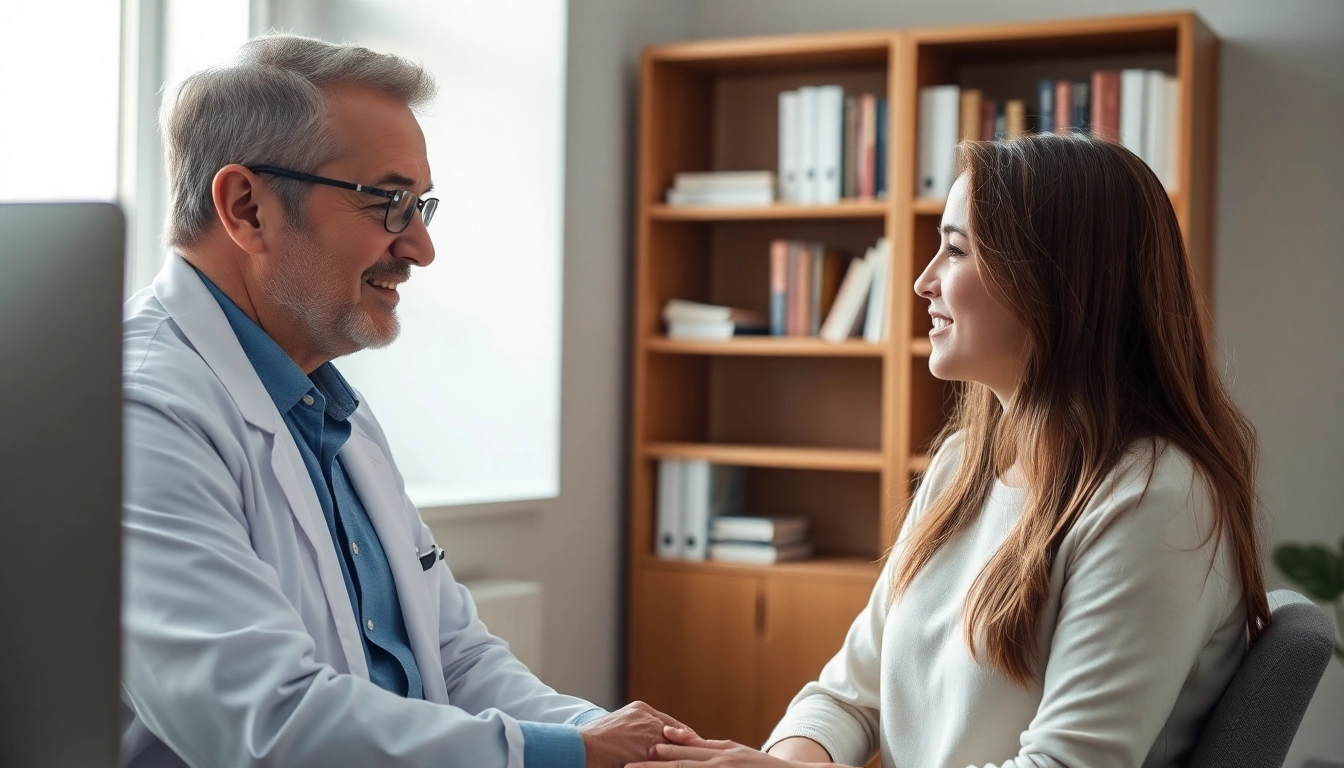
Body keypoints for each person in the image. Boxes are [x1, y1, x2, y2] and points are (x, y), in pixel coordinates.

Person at [121, 34, 683, 768]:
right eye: (389, 202)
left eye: (422, 207)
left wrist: (616, 740)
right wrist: (573, 754)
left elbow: (454, 657)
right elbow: (267, 722)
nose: (420, 247)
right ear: (247, 208)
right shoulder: (140, 414)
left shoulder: (330, 410)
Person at [630, 133, 1268, 768]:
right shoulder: (962, 465)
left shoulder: (1158, 498)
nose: (922, 281)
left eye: (956, 251)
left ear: (1054, 283)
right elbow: (848, 696)